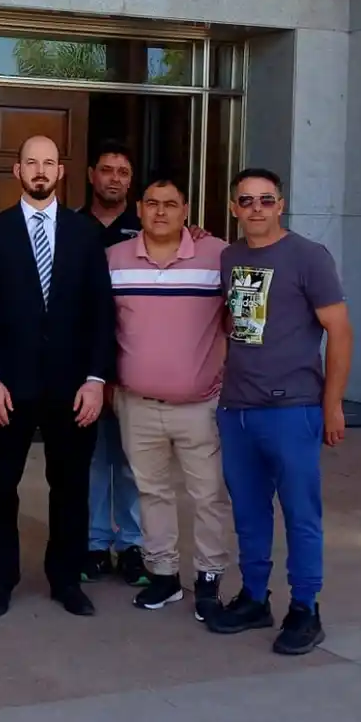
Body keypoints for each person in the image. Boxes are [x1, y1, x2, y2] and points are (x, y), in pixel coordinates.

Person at [0, 135, 115, 618]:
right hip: (8, 386)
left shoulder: (86, 233)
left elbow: (101, 312)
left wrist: (96, 379)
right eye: (31, 162)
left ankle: (66, 579)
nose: (40, 170)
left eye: (49, 163)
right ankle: (1, 578)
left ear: (61, 172)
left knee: (71, 486)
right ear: (17, 171)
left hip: (73, 388)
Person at [206, 168, 353, 656]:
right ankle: (254, 597)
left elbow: (340, 331)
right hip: (238, 408)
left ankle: (305, 608)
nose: (256, 209)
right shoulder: (230, 257)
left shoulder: (309, 257)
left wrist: (332, 405)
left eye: (265, 200)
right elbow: (234, 323)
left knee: (300, 514)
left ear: (281, 205)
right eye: (246, 201)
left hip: (293, 409)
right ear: (233, 208)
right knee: (248, 513)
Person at [108, 176, 232, 621]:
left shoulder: (217, 255)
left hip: (201, 406)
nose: (161, 212)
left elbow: (242, 316)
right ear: (138, 209)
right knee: (151, 492)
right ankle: (163, 576)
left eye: (171, 204)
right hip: (137, 405)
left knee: (208, 496)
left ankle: (209, 579)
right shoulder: (114, 260)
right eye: (152, 203)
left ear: (186, 212)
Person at [78, 140, 147, 587]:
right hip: (81, 364)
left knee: (131, 461)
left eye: (123, 171)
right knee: (91, 458)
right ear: (91, 175)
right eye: (107, 170)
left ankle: (134, 545)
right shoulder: (71, 227)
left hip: (132, 364)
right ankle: (94, 543)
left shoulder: (146, 228)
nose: (115, 178)